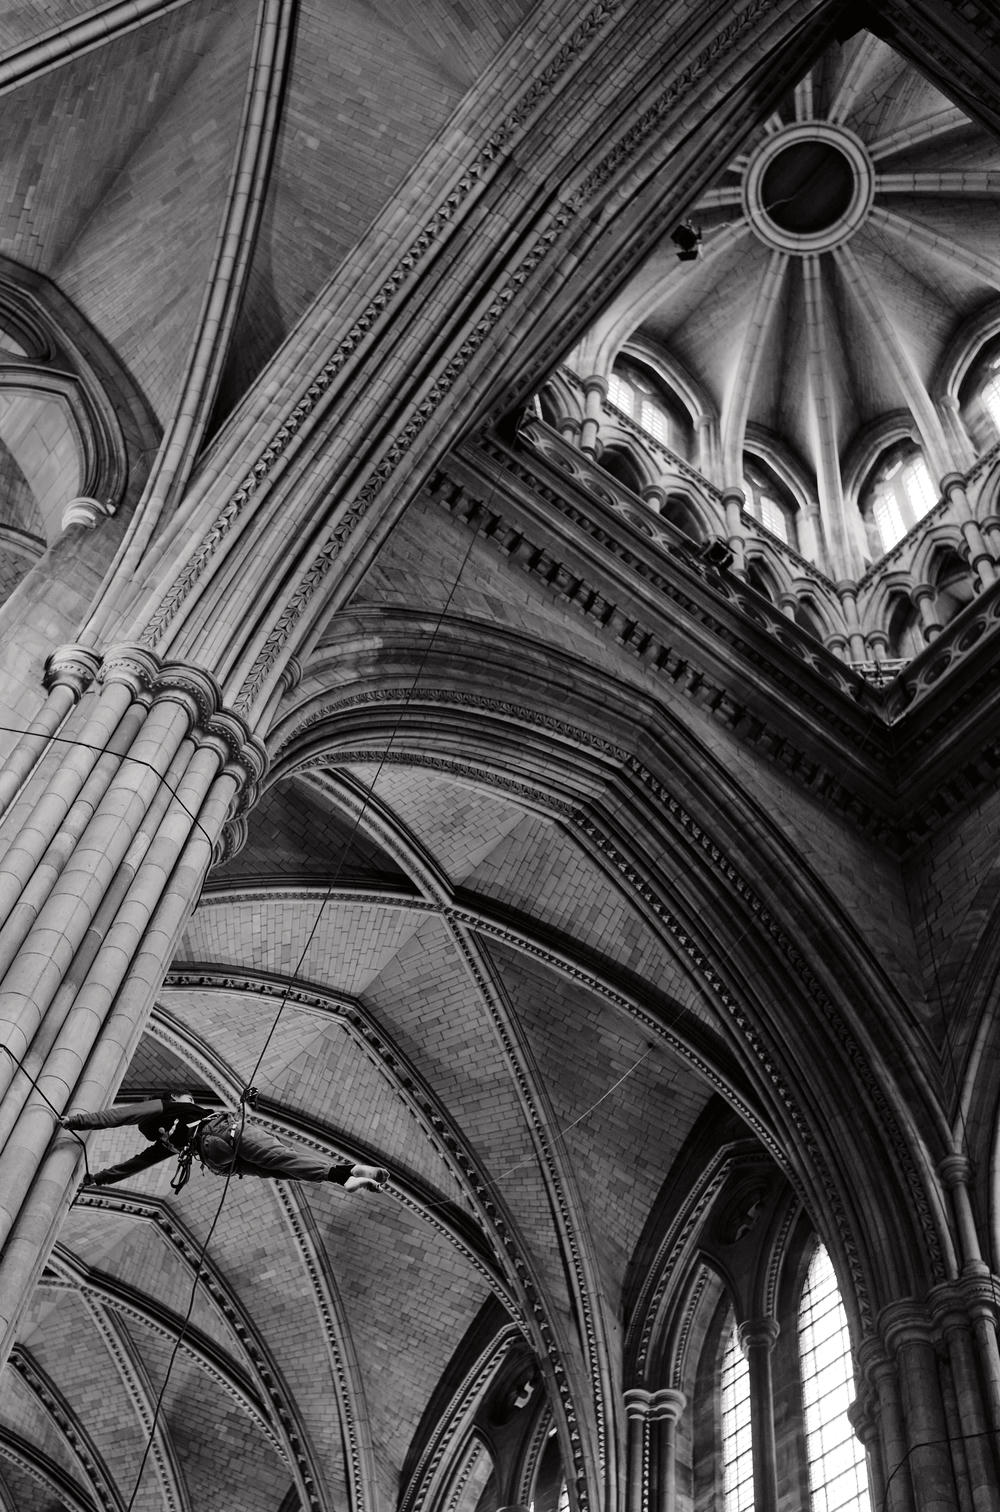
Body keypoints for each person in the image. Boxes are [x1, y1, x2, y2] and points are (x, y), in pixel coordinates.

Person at [61, 1092, 389, 1192]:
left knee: (280, 1169)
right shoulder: (172, 1106)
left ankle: (346, 1174)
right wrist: (77, 1121)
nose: (189, 1095)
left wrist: (98, 1179)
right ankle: (344, 1172)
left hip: (218, 1160)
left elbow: (135, 1165)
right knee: (281, 1157)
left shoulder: (164, 1142)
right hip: (221, 1133)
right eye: (183, 1095)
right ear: (173, 1098)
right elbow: (118, 1115)